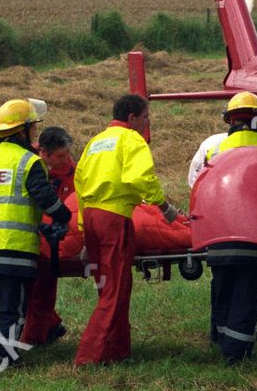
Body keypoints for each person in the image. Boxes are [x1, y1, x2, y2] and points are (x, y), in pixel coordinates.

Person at [73, 94, 179, 366]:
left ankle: (118, 350)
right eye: (145, 117)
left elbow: (80, 185)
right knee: (115, 289)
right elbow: (139, 177)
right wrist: (163, 205)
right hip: (115, 217)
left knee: (108, 286)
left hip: (93, 218)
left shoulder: (95, 143)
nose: (148, 122)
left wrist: (85, 232)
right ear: (131, 117)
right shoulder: (131, 139)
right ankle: (88, 356)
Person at [0, 99, 73, 366]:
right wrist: (64, 215)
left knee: (0, 303)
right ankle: (1, 357)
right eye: (32, 129)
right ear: (22, 131)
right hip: (13, 247)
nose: (35, 135)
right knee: (13, 307)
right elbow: (45, 199)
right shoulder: (29, 162)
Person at [199, 92, 257, 365]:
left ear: (229, 121)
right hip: (255, 238)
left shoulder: (215, 150)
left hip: (220, 234)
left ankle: (219, 336)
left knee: (222, 286)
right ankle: (236, 353)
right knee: (246, 292)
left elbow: (203, 188)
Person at [23, 125, 77, 344]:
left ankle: (43, 330)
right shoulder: (27, 163)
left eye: (67, 154)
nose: (65, 159)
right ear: (44, 152)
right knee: (31, 288)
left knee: (44, 285)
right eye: (60, 155)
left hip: (53, 235)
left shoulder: (70, 170)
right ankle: (44, 328)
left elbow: (73, 203)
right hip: (27, 231)